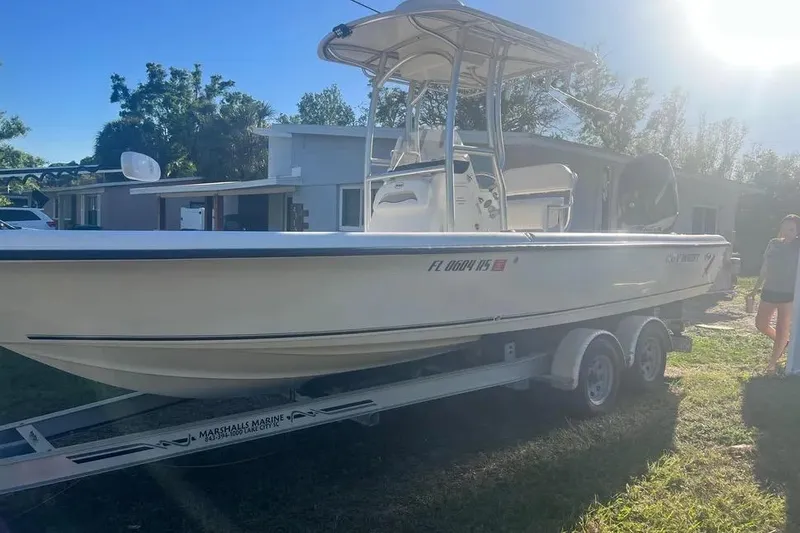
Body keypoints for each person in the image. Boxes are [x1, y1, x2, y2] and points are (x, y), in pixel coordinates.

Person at [749, 214, 800, 373]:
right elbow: (765, 267)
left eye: (792, 229)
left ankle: (772, 364)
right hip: (769, 290)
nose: (787, 232)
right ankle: (784, 343)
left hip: (788, 294)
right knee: (761, 324)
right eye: (785, 228)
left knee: (782, 328)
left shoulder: (798, 245)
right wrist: (755, 289)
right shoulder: (773, 243)